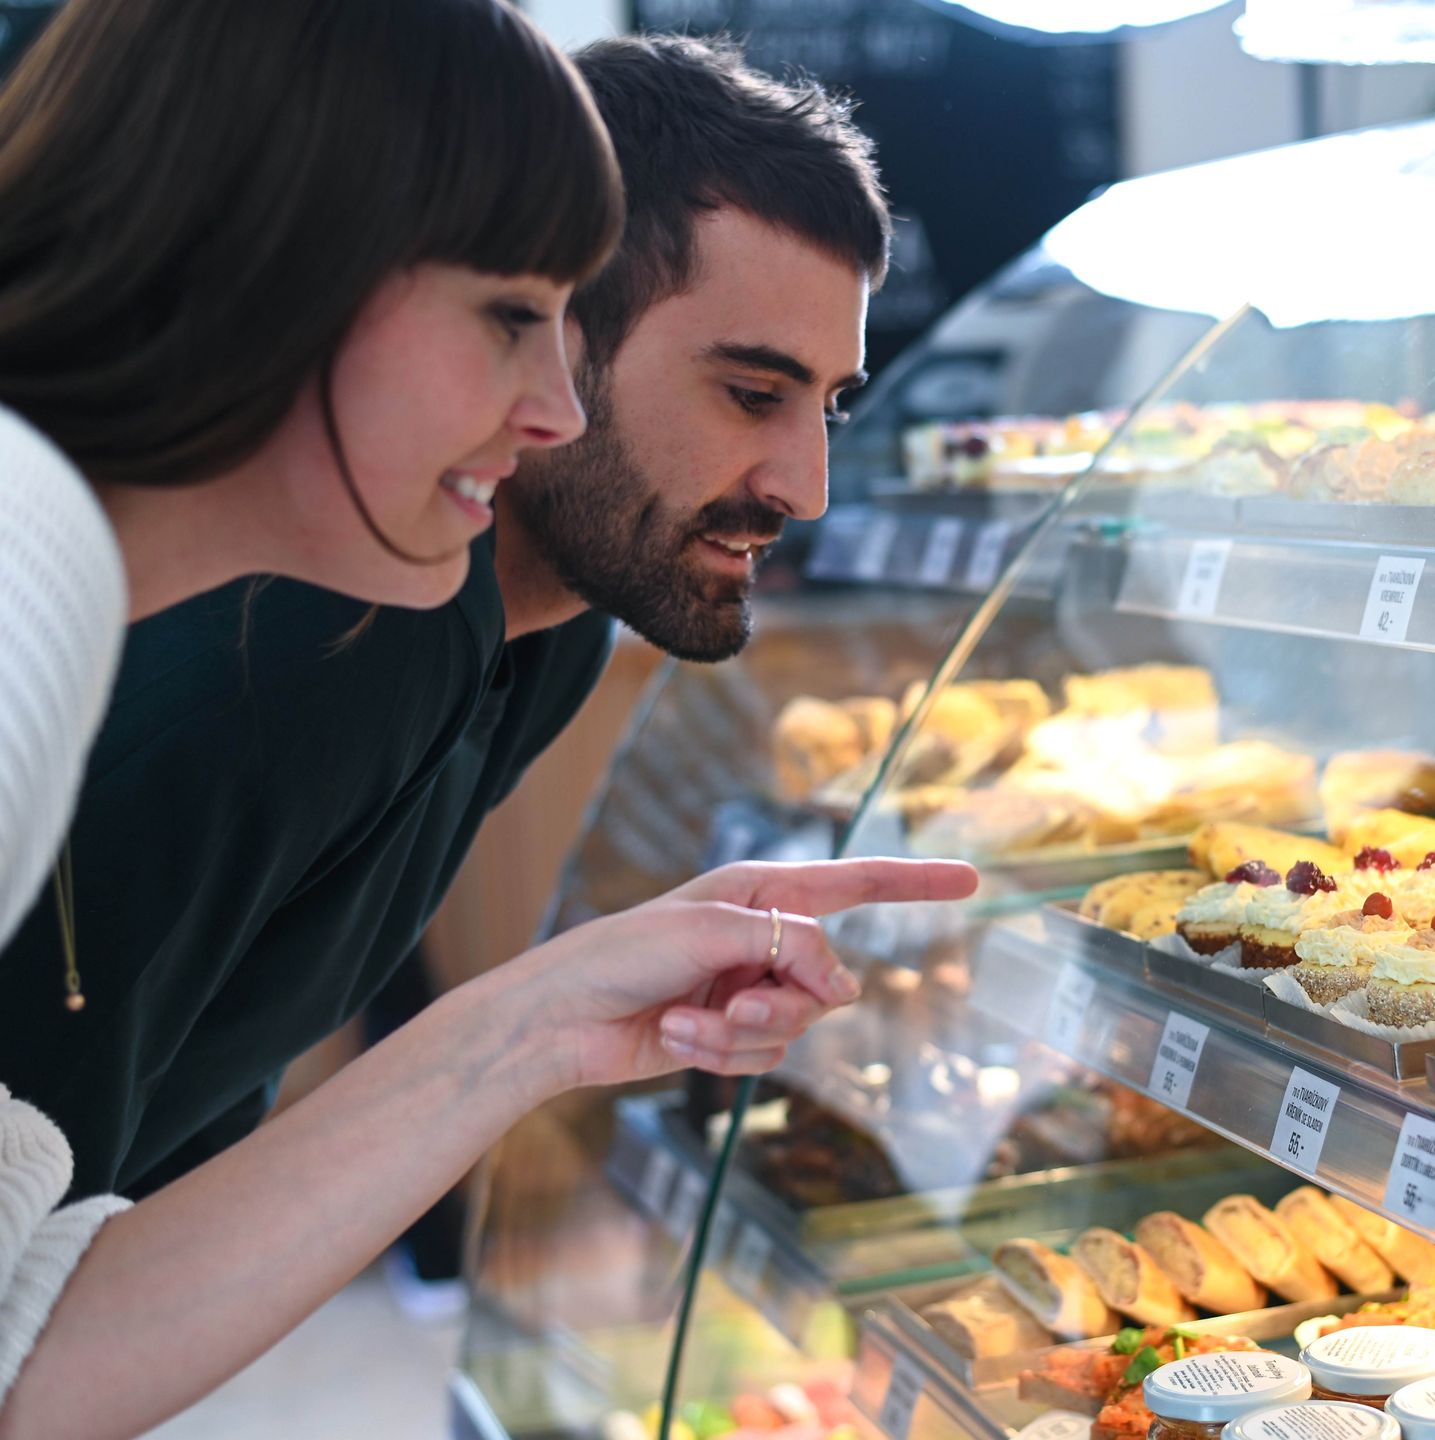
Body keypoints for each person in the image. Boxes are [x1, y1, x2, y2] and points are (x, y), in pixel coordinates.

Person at [0, 6, 965, 1435]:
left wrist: (537, 1023)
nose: (545, 407)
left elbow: (39, 1302)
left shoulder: (541, 623)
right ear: (290, 273)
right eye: (514, 317)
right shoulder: (115, 622)